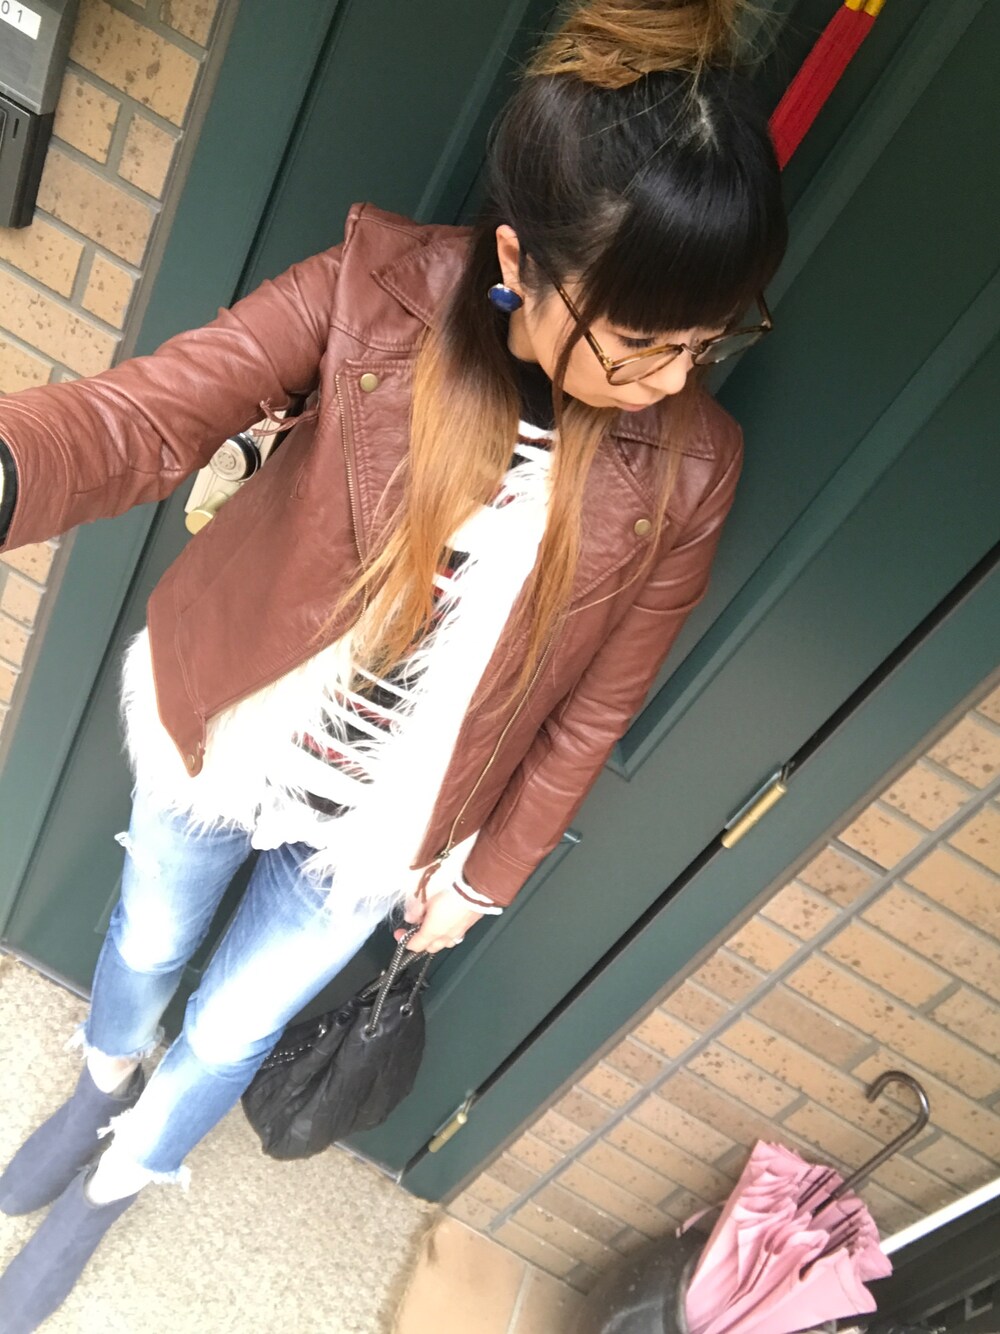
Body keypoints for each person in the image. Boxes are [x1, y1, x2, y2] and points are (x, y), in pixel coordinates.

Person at [0, 0, 787, 1327]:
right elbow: (148, 413)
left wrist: (485, 877)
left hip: (386, 828)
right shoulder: (375, 293)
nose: (672, 379)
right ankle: (100, 1084)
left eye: (705, 342)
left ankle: (118, 1180)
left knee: (235, 1025)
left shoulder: (692, 466)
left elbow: (599, 703)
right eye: (642, 341)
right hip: (227, 728)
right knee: (148, 937)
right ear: (519, 262)